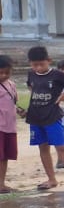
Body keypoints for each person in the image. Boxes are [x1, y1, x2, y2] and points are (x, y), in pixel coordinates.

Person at [25, 46, 64, 191]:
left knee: (61, 147)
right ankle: (51, 179)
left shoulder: (57, 75)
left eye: (42, 64)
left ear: (49, 61)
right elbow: (30, 86)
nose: (38, 68)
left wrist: (62, 96)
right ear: (30, 64)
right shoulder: (31, 74)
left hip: (52, 115)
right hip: (35, 116)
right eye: (35, 65)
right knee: (43, 147)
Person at [0, 54, 19, 194]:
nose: (4, 75)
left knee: (4, 156)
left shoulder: (12, 85)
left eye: (7, 72)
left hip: (9, 126)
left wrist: (19, 111)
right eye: (0, 72)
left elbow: (12, 103)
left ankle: (1, 183)